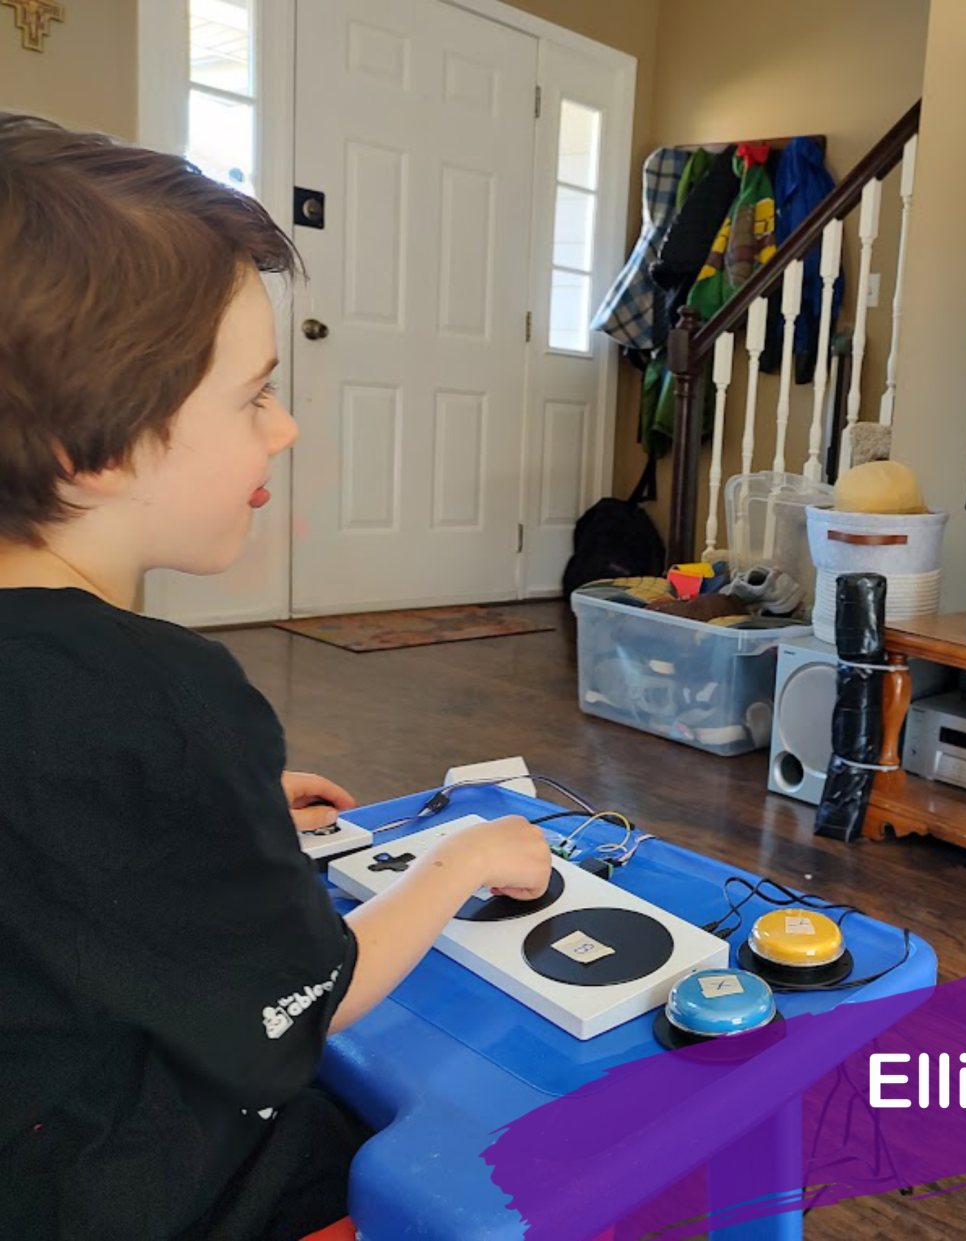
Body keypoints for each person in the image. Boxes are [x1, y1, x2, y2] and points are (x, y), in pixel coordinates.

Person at [0, 113, 552, 1241]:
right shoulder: (163, 694)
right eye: (254, 394)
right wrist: (457, 861)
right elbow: (305, 1006)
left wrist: (210, 813)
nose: (287, 426)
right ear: (97, 453)